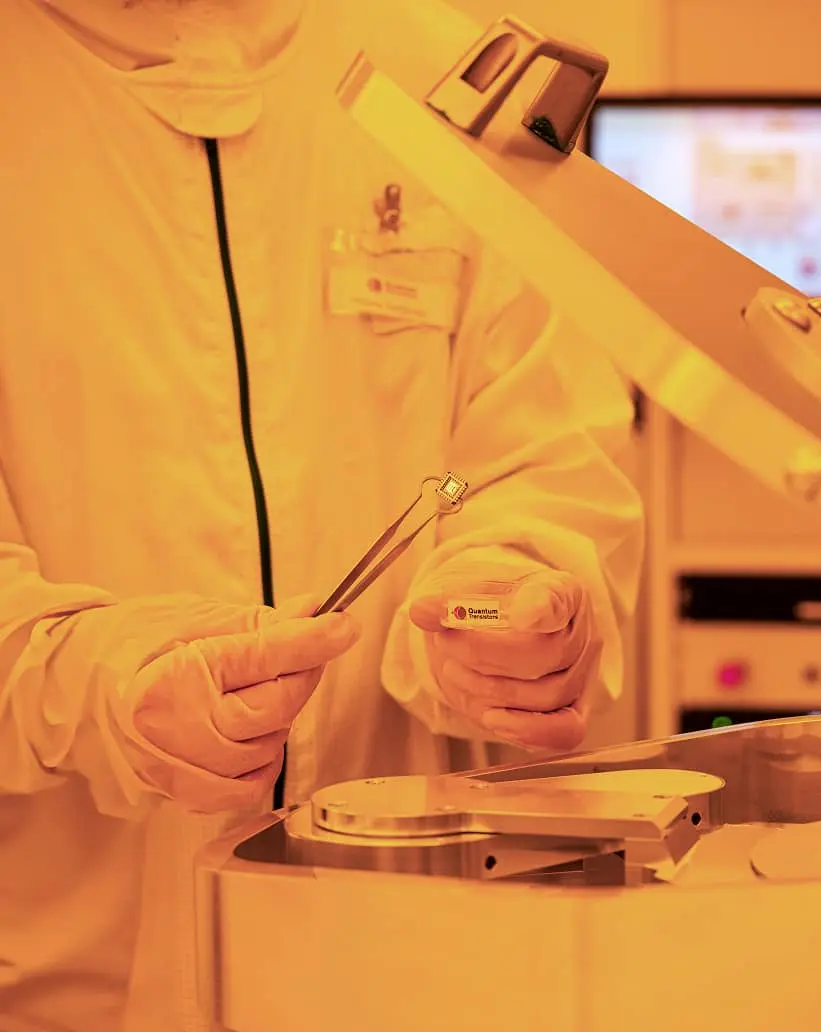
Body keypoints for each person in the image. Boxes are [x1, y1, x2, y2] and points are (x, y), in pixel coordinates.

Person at [0, 1, 644, 1030]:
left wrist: (509, 599)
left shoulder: (440, 68)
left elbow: (541, 451)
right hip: (72, 973)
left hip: (409, 938)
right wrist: (106, 695)